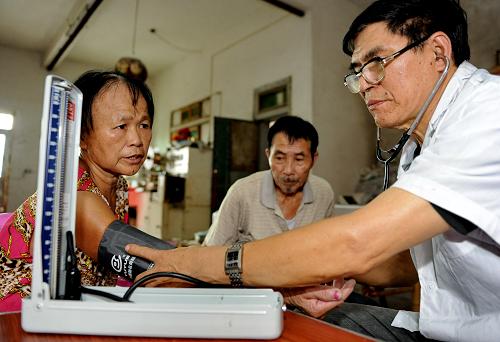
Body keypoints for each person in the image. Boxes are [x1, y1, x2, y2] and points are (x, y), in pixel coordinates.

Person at [126, 0, 500, 340]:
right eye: (357, 72)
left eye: (376, 63)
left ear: (437, 52)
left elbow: (356, 243)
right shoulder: (419, 147)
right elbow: (411, 264)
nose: (364, 85)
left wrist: (193, 262)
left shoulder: (487, 113)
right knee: (298, 323)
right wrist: (324, 277)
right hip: (448, 328)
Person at [0, 70, 154, 311]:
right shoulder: (76, 195)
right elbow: (151, 261)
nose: (137, 139)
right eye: (121, 126)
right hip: (19, 309)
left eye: (143, 125)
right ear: (82, 136)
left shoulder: (119, 185)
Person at [203, 115, 335, 246]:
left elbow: (329, 248)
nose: (288, 170)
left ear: (314, 159)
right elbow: (210, 253)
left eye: (299, 159)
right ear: (268, 156)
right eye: (279, 158)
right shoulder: (242, 193)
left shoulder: (323, 193)